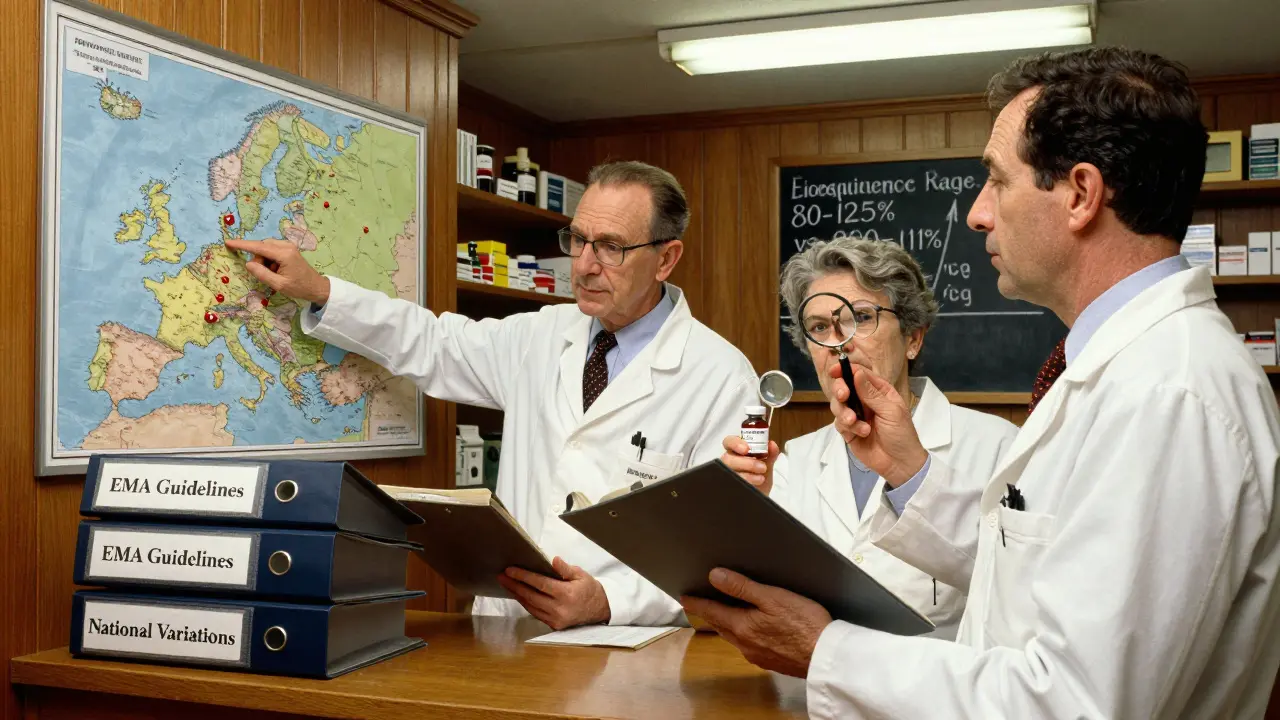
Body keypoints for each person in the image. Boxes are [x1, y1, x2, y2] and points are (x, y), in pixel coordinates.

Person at [681, 46, 1280, 719]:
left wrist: (826, 653)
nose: (976, 214)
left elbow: (1075, 704)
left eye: (997, 181)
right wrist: (910, 473)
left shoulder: (1169, 393)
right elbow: (1034, 580)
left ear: (1080, 194)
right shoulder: (1127, 370)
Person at [227, 160, 758, 630]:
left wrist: (609, 602)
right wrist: (321, 291)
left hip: (629, 649)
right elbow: (432, 343)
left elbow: (720, 562)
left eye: (612, 247)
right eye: (577, 239)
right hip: (504, 633)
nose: (585, 265)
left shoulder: (721, 377)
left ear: (666, 259)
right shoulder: (542, 335)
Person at [719, 236, 1016, 639]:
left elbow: (1015, 588)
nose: (839, 343)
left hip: (932, 692)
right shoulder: (794, 462)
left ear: (913, 338)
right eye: (820, 327)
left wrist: (911, 477)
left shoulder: (997, 448)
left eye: (861, 317)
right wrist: (743, 512)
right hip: (812, 689)